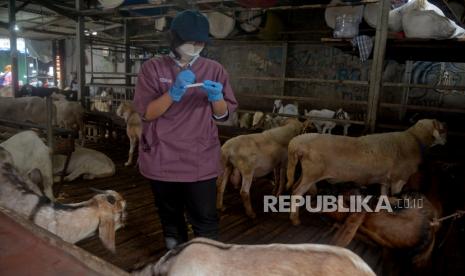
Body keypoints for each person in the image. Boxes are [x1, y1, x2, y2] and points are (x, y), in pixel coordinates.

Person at [133, 10, 238, 250]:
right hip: (162, 156)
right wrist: (172, 93)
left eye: (200, 41)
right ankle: (176, 259)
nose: (196, 45)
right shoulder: (152, 69)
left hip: (199, 157)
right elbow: (147, 113)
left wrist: (216, 97)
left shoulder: (214, 70)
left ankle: (208, 264)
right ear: (174, 37)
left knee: (205, 219)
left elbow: (222, 115)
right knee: (170, 219)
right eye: (190, 40)